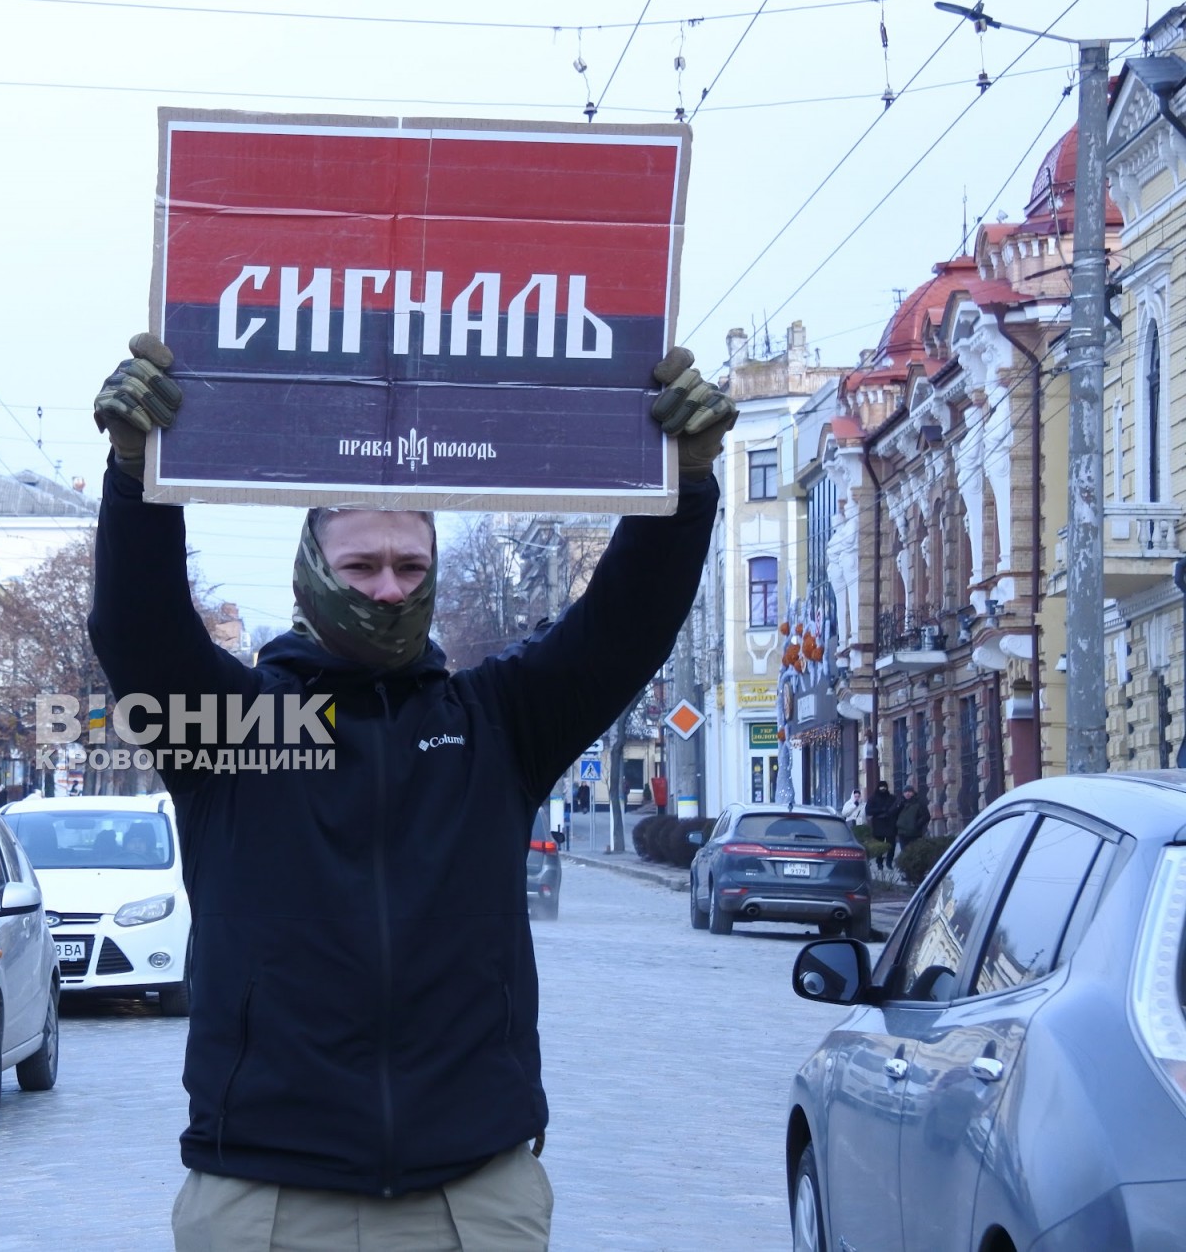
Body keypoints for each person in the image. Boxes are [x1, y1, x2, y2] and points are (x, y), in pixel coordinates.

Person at [89, 332, 733, 1248]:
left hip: (468, 1197)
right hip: (269, 1194)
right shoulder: (233, 730)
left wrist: (686, 484)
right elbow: (137, 629)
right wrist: (135, 475)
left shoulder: (497, 722)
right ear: (310, 577)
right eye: (361, 567)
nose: (389, 590)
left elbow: (625, 626)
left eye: (411, 567)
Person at [866, 780, 899, 866]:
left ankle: (889, 862)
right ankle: (879, 862)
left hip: (890, 824)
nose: (883, 788)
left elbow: (896, 809)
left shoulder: (892, 798)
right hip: (878, 824)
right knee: (879, 845)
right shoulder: (873, 798)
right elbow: (868, 811)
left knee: (891, 845)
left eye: (884, 786)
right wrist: (880, 810)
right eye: (881, 787)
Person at [895, 786, 930, 860]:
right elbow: (893, 814)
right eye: (905, 792)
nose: (907, 793)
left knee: (915, 853)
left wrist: (916, 825)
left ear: (913, 793)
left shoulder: (919, 803)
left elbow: (926, 816)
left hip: (914, 833)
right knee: (905, 853)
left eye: (909, 792)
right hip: (902, 833)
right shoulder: (900, 803)